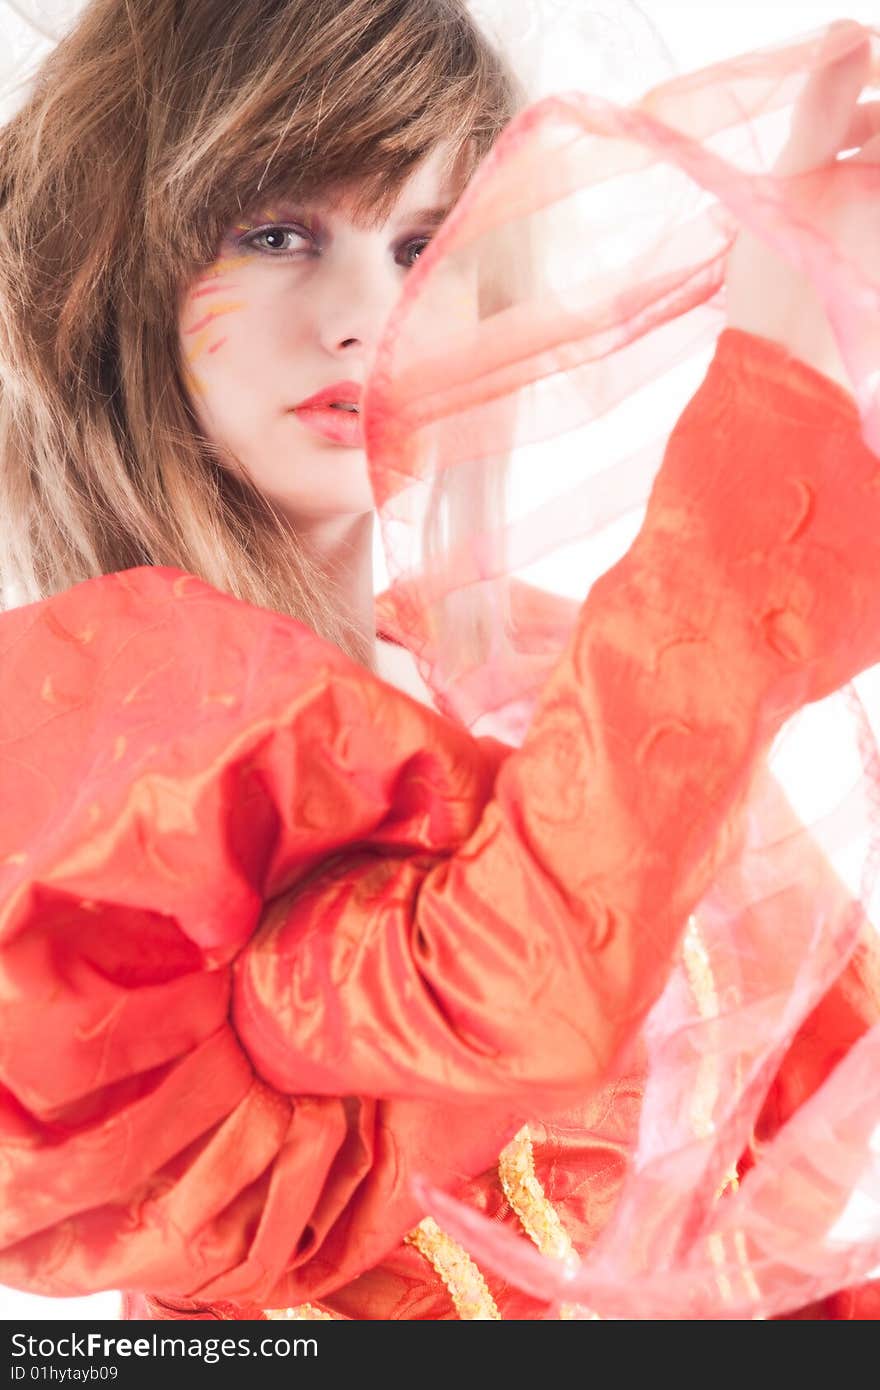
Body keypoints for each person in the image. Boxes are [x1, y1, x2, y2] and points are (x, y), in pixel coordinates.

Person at [0, 0, 879, 1320]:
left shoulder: (543, 665)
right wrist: (766, 382)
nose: (368, 315)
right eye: (278, 232)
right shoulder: (112, 758)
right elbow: (514, 977)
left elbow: (769, 1128)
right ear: (122, 274)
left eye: (425, 242)